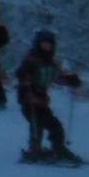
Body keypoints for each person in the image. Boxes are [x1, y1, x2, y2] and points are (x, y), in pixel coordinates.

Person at [15, 30, 82, 162]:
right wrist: (24, 76)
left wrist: (70, 80)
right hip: (28, 99)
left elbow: (57, 77)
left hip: (41, 101)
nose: (47, 47)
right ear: (38, 44)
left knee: (55, 125)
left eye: (49, 44)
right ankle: (34, 150)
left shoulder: (51, 63)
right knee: (37, 124)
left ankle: (58, 148)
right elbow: (20, 72)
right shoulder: (31, 59)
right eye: (44, 44)